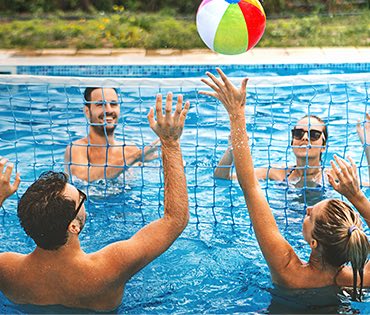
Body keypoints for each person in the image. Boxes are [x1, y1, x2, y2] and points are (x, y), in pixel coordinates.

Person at [0, 93, 190, 311]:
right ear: (73, 226)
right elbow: (175, 219)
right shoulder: (108, 268)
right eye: (80, 197)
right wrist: (171, 142)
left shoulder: (7, 270)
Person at [200, 68, 370, 301]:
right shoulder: (360, 279)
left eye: (312, 134)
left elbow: (250, 187)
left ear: (312, 243)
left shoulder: (288, 271)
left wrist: (236, 114)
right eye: (298, 132)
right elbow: (236, 179)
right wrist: (357, 196)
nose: (309, 209)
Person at [64, 87, 159, 182]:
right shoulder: (77, 148)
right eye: (100, 104)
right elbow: (84, 177)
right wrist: (136, 157)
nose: (108, 110)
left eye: (113, 104)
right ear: (87, 112)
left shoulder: (129, 150)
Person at [214, 115, 327, 187]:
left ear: (323, 146)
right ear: (292, 142)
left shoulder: (332, 177)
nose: (305, 138)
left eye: (313, 135)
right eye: (298, 133)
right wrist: (231, 149)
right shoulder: (275, 172)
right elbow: (223, 178)